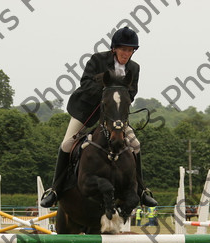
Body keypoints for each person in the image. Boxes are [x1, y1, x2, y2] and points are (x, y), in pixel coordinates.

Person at [40, 26, 157, 208]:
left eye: (130, 50)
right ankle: (55, 189)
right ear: (114, 48)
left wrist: (117, 99)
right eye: (123, 49)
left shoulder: (134, 67)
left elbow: (131, 93)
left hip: (113, 116)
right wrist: (107, 86)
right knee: (66, 144)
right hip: (87, 111)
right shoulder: (97, 60)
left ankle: (142, 190)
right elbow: (85, 84)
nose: (126, 53)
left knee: (136, 145)